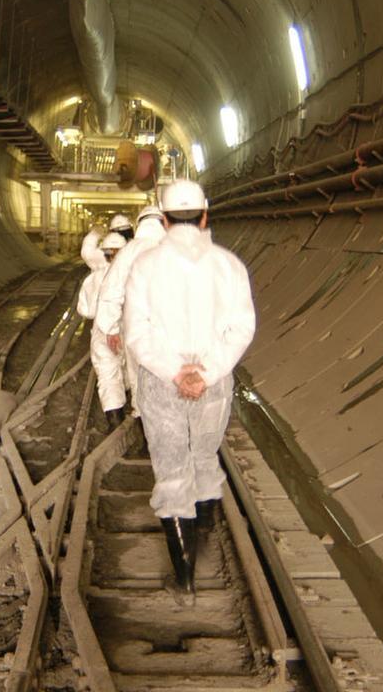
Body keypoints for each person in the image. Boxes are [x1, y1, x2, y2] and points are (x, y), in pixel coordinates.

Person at [123, 180, 255, 606]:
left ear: (163, 220)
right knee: (203, 457)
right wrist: (207, 372)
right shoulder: (229, 265)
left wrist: (175, 373)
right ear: (204, 216)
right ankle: (203, 538)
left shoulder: (144, 266)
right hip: (213, 385)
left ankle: (185, 579)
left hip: (163, 384)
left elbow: (137, 333)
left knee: (173, 469)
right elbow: (242, 328)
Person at [96, 205, 167, 419]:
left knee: (139, 378)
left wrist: (110, 329)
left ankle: (144, 425)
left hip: (136, 327)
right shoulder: (176, 248)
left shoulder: (128, 252)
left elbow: (111, 292)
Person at [76, 231, 127, 429]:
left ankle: (116, 424)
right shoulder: (136, 273)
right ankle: (141, 423)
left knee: (108, 376)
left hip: (103, 331)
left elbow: (85, 310)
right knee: (135, 375)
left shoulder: (93, 279)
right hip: (131, 330)